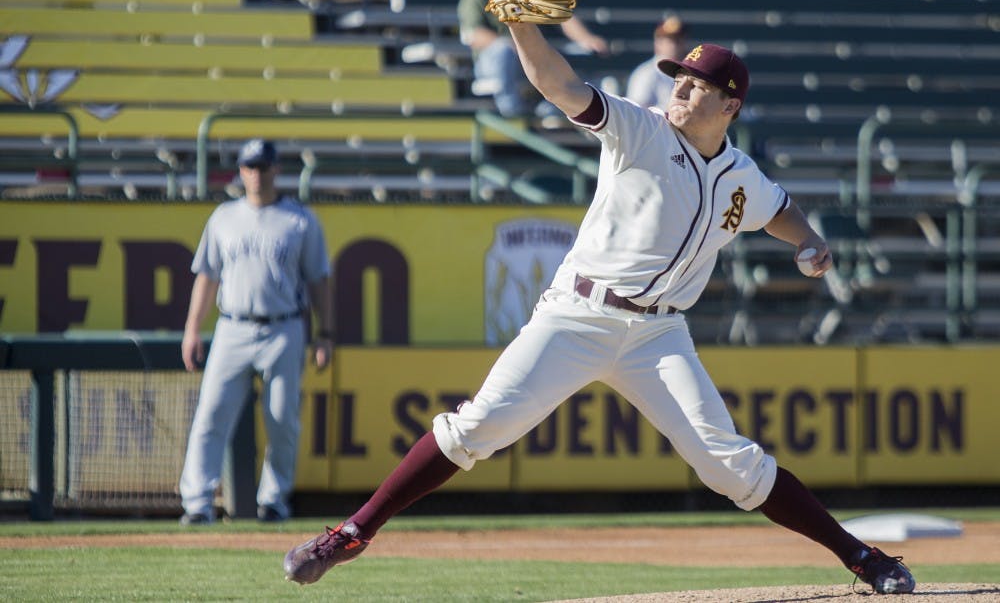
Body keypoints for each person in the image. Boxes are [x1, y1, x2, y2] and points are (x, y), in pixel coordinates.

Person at [282, 29, 916, 595]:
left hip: (659, 334)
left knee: (732, 467)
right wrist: (518, 25)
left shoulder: (741, 176)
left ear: (731, 104)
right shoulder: (639, 129)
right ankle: (352, 533)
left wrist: (807, 241)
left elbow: (778, 210)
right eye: (680, 80)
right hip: (577, 315)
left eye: (697, 86)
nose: (682, 91)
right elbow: (556, 83)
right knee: (474, 429)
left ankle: (860, 557)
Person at [179, 138, 333, 524]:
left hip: (283, 327)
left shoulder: (298, 218)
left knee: (282, 418)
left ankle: (274, 500)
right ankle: (197, 503)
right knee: (211, 414)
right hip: (232, 326)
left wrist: (325, 333)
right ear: (241, 171)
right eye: (249, 166)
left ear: (275, 170)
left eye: (262, 167)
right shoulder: (224, 217)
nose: (255, 174)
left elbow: (319, 281)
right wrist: (192, 329)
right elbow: (207, 277)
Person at [458, 0, 609, 119]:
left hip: (526, 57)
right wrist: (512, 45)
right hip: (493, 61)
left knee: (570, 53)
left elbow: (563, 17)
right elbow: (473, 34)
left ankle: (553, 112)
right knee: (503, 51)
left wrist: (586, 39)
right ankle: (512, 113)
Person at [625, 15, 687, 109]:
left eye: (678, 39)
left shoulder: (689, 72)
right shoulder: (646, 74)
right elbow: (636, 113)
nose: (675, 45)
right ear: (658, 43)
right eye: (670, 40)